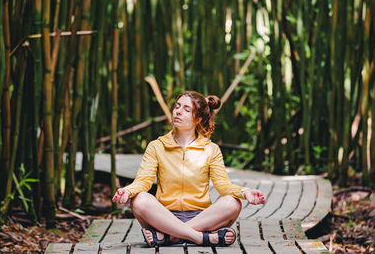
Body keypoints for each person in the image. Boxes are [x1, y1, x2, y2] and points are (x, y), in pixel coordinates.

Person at [112, 91, 265, 247]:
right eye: (177, 106)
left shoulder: (211, 149)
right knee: (139, 200)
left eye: (186, 109)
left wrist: (245, 191)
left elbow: (224, 186)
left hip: (203, 217)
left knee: (233, 203)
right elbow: (143, 181)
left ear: (198, 119)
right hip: (164, 216)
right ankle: (200, 238)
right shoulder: (156, 146)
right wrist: (128, 191)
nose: (178, 111)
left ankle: (170, 237)